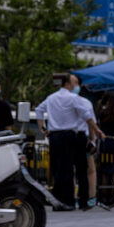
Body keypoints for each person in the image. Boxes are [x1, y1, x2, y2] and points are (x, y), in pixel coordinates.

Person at [35, 73, 98, 210]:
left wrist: (42, 129)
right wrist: (96, 131)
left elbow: (39, 110)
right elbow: (87, 116)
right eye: (73, 83)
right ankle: (70, 201)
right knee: (69, 168)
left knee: (57, 169)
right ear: (68, 84)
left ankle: (58, 201)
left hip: (54, 136)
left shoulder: (51, 98)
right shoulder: (74, 98)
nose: (75, 86)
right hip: (70, 136)